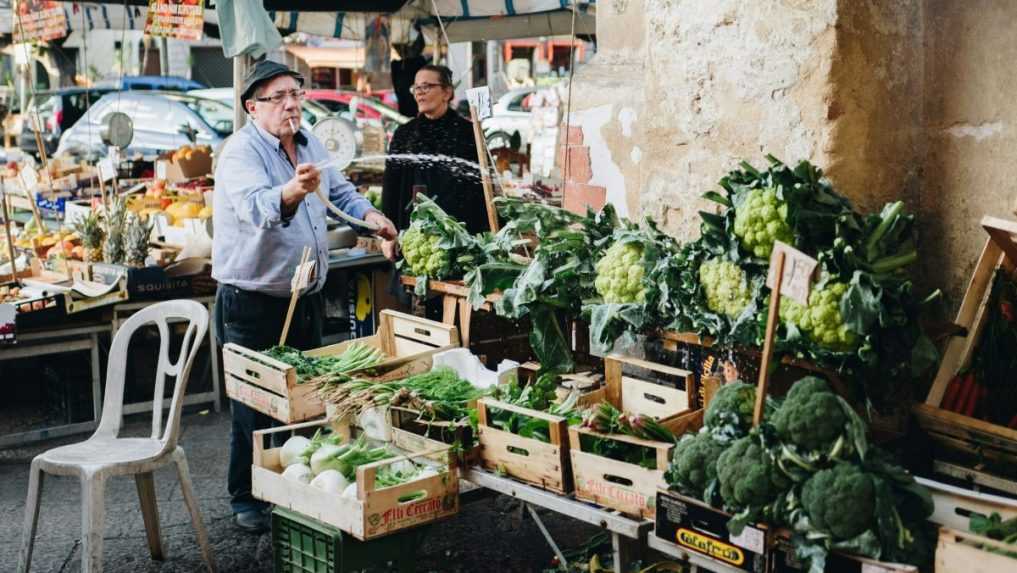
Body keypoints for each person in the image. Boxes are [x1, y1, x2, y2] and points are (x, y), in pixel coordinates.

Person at [211, 60, 396, 533]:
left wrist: (371, 219)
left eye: (296, 93)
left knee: (306, 398)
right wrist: (292, 191)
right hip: (253, 300)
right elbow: (257, 209)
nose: (292, 104)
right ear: (253, 106)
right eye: (279, 97)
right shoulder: (240, 153)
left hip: (304, 295)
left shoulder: (310, 142)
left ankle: (294, 487)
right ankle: (246, 497)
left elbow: (342, 193)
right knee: (256, 404)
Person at [380, 64, 489, 261]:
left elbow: (483, 189)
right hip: (414, 239)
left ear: (447, 92)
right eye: (416, 88)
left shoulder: (468, 133)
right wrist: (388, 234)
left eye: (426, 87)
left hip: (461, 239)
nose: (419, 94)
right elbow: (391, 187)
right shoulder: (404, 134)